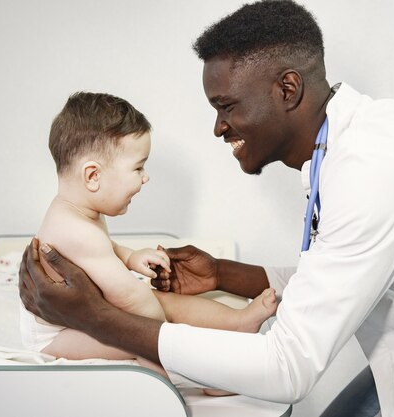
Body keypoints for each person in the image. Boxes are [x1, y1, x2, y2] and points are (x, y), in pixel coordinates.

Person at [19, 2, 394, 416]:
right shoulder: (338, 149)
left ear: (287, 90)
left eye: (226, 106)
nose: (219, 128)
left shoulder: (376, 170)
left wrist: (95, 319)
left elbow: (288, 369)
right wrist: (221, 273)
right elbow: (335, 269)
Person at [22, 91, 279, 381]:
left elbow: (104, 249)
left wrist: (130, 257)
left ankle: (237, 322)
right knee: (139, 338)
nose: (145, 177)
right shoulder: (75, 229)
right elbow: (132, 298)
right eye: (138, 167)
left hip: (79, 314)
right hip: (58, 337)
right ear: (93, 176)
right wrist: (163, 334)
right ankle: (202, 376)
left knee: (161, 305)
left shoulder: (79, 211)